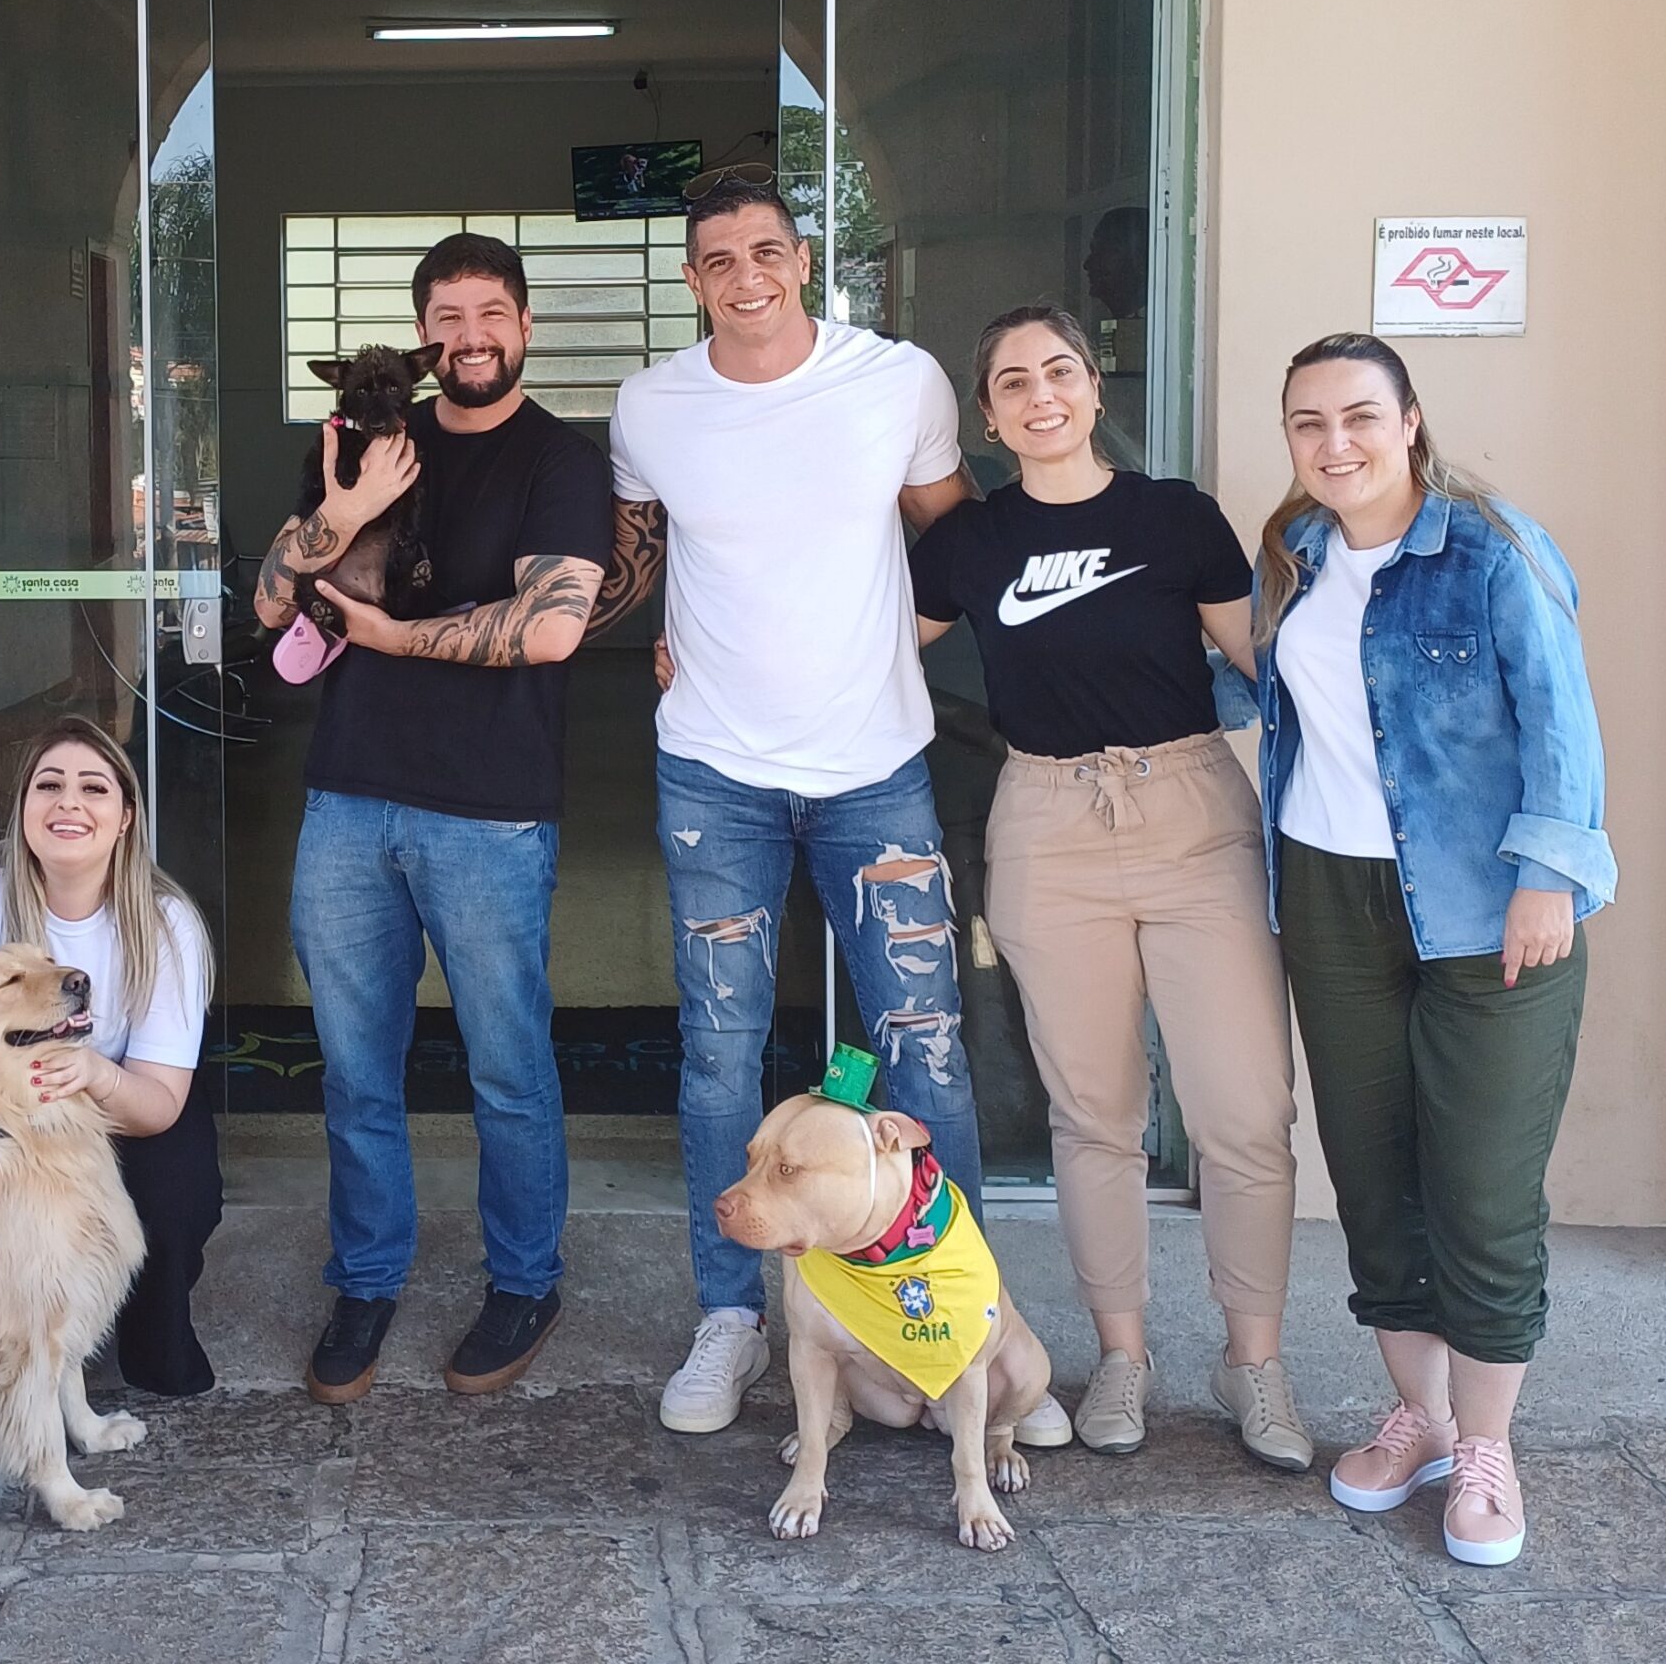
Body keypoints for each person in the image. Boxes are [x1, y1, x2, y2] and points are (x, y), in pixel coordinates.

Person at [596, 170, 998, 1437]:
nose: (746, 275)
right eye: (719, 259)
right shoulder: (652, 405)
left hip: (875, 764)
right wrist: (648, 631)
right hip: (715, 767)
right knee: (720, 1046)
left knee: (919, 1036)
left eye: (766, 250)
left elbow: (956, 536)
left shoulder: (897, 380)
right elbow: (633, 555)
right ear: (692, 280)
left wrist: (902, 630)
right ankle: (732, 1317)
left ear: (802, 260)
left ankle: (961, 1321)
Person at [908, 304, 1307, 1468]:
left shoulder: (1173, 515)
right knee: (1094, 1115)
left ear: (1091, 387)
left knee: (1245, 1115)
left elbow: (1266, 668)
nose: (1041, 394)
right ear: (986, 416)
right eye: (1012, 380)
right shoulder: (968, 543)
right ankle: (1121, 1355)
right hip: (1045, 821)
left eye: (1060, 371)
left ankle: (1254, 1363)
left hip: (1191, 813)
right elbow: (865, 649)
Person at [1256, 332, 1613, 1566]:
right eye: (1309, 422)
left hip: (1484, 910)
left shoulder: (1491, 550)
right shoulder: (1292, 555)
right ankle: (1415, 1412)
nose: (1335, 442)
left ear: (1409, 421)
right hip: (1329, 899)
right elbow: (1287, 710)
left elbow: (1561, 720)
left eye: (1360, 415)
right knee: (1372, 1176)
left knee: (1480, 1190)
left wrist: (1548, 875)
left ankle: (1486, 1445)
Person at [253, 230, 611, 1403]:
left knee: (508, 1065)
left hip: (490, 809)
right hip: (349, 793)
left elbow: (548, 626)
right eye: (446, 316)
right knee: (357, 1068)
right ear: (421, 337)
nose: (469, 336)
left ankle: (524, 1278)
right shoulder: (368, 444)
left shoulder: (558, 458)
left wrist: (396, 635)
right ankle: (365, 1278)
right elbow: (269, 599)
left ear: (522, 324)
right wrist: (343, 506)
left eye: (489, 312)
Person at [0, 717, 223, 1397]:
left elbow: (160, 1103)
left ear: (126, 816)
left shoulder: (167, 922)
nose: (69, 802)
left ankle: (136, 1325)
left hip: (116, 1106)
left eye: (93, 788)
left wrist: (97, 1073)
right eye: (49, 785)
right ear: (22, 811)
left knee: (173, 1193)